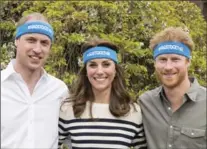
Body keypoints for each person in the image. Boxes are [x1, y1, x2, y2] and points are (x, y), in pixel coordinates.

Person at [59, 38, 147, 149]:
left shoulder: (133, 111)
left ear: (115, 70)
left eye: (106, 64)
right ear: (86, 71)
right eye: (93, 65)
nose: (99, 71)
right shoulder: (69, 109)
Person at [1, 12, 69, 149]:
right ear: (17, 40)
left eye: (44, 43)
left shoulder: (59, 90)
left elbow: (73, 136)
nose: (37, 49)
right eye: (31, 40)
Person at [139, 27, 206, 149]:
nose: (168, 67)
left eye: (175, 59)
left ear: (188, 61)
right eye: (162, 60)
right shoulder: (145, 103)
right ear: (155, 63)